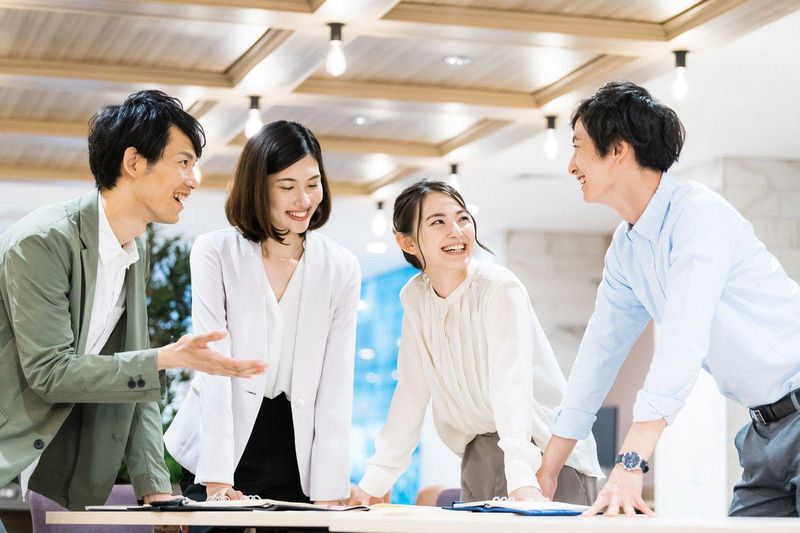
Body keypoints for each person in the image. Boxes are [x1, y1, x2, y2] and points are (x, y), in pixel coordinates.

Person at [0, 90, 267, 522]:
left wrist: (157, 490)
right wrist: (164, 358)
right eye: (183, 162)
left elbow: (136, 386)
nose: (194, 179)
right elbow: (49, 373)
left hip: (40, 461)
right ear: (134, 162)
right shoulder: (42, 242)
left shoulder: (132, 251)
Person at [539, 81, 800, 517]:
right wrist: (547, 470)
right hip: (763, 431)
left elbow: (683, 337)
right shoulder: (626, 248)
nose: (571, 166)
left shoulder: (699, 215)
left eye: (578, 147)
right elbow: (599, 354)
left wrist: (630, 462)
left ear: (617, 149)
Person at [350, 180, 602, 507]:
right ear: (407, 241)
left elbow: (511, 385)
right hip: (478, 455)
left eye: (462, 218)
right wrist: (374, 483)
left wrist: (523, 478)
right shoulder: (415, 297)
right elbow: (410, 394)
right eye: (438, 222)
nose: (457, 231)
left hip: (543, 454)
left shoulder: (499, 288)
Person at [164, 121, 360, 530]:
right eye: (287, 186)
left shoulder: (341, 267)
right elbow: (213, 366)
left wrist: (329, 488)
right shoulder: (216, 252)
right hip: (222, 443)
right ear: (259, 187)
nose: (304, 199)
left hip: (297, 449)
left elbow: (336, 384)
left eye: (313, 184)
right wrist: (218, 480)